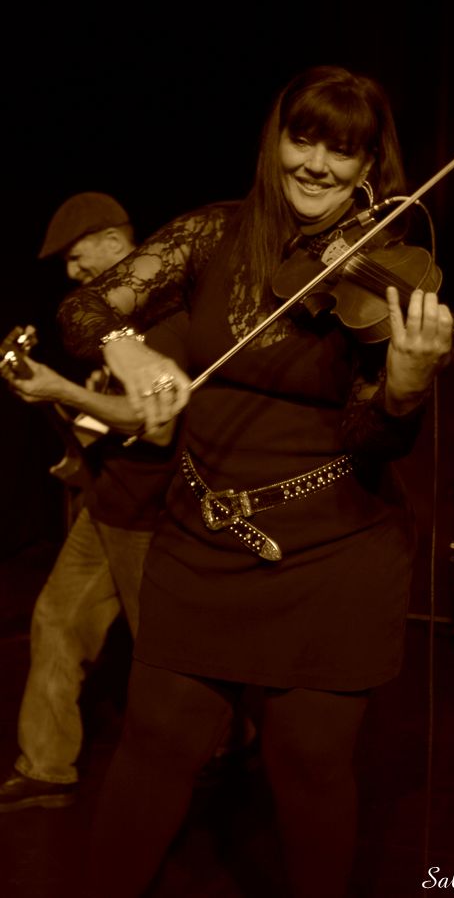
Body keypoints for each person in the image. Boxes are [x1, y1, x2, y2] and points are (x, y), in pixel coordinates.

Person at [58, 67, 454, 898]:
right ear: (276, 141)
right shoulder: (213, 232)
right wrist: (127, 350)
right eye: (302, 139)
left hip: (331, 553)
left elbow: (372, 437)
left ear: (369, 165)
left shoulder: (381, 271)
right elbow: (84, 310)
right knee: (154, 745)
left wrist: (404, 389)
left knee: (307, 764)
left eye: (341, 150)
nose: (316, 164)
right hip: (200, 536)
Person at [0, 193, 185, 813]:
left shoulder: (165, 311)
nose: (73, 273)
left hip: (153, 511)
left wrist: (59, 388)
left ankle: (225, 744)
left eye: (79, 258)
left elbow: (154, 427)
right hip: (110, 501)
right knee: (56, 620)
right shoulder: (109, 322)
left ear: (114, 243)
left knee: (168, 654)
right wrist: (60, 410)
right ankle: (46, 767)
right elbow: (104, 419)